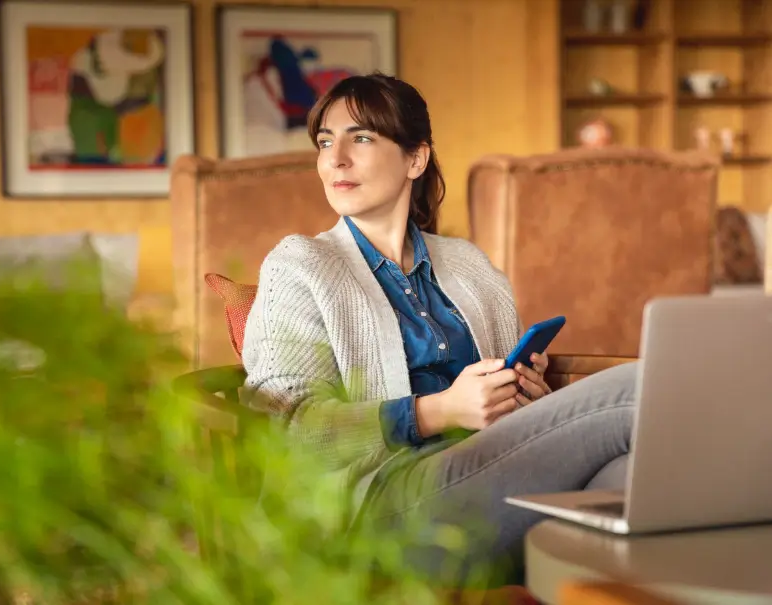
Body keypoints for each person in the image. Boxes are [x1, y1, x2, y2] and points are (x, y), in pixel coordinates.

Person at [241, 72, 636, 586]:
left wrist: (524, 395)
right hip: (378, 507)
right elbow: (289, 430)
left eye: (360, 137)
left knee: (630, 482)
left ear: (416, 159)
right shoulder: (299, 266)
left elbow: (507, 416)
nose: (335, 158)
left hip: (486, 484)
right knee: (642, 388)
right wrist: (438, 410)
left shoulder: (469, 266)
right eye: (324, 141)